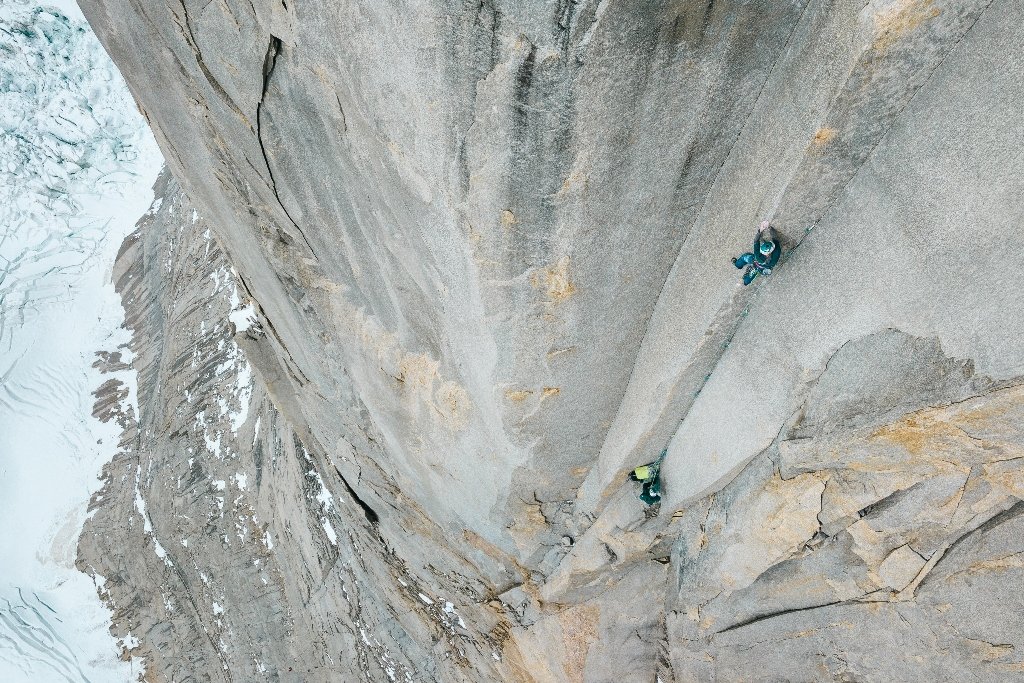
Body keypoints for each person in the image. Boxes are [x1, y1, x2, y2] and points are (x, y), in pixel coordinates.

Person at [732, 220, 781, 285]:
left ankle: (738, 265)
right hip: (761, 268)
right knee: (750, 276)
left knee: (744, 257)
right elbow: (775, 239)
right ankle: (744, 282)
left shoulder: (757, 255)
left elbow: (756, 241)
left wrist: (760, 230)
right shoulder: (775, 254)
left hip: (754, 261)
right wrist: (770, 228)